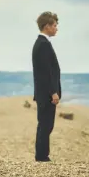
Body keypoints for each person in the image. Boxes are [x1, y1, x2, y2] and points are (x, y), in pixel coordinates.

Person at [31, 11, 61, 162]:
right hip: (46, 94)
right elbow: (46, 72)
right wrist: (53, 92)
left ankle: (42, 155)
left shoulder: (43, 43)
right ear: (47, 26)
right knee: (45, 125)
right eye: (55, 25)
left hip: (45, 93)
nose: (56, 28)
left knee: (46, 124)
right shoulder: (42, 44)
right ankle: (42, 156)